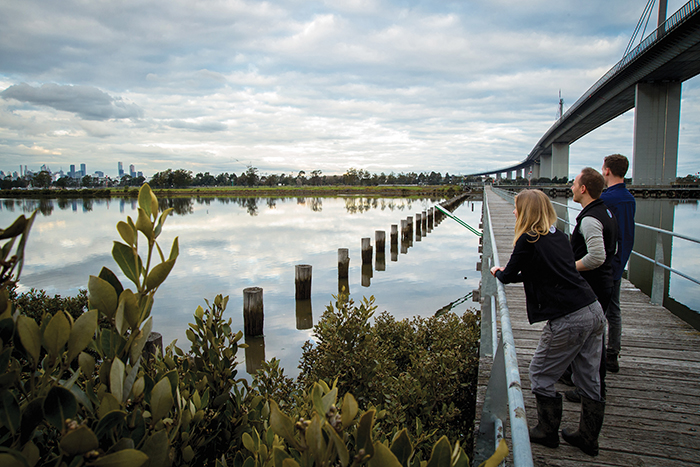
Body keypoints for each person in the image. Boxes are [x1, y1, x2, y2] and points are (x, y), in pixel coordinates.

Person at [490, 189, 606, 456]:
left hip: (569, 319)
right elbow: (540, 271)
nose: (514, 211)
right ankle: (588, 438)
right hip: (593, 309)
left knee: (540, 375)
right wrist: (510, 274)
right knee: (589, 379)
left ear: (527, 211)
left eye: (517, 208)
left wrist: (498, 272)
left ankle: (547, 431)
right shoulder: (559, 236)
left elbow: (508, 275)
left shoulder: (527, 239)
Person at [567, 167, 619, 402]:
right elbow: (613, 249)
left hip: (593, 287)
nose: (572, 188)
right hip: (604, 283)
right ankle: (590, 387)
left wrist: (569, 267)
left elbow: (597, 257)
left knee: (589, 343)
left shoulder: (589, 218)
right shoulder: (606, 211)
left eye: (575, 184)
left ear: (584, 189)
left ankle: (590, 391)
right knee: (594, 340)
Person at [600, 154, 636, 372]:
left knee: (596, 311)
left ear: (606, 170)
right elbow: (627, 235)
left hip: (604, 264)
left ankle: (597, 357)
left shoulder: (607, 199)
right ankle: (613, 353)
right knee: (614, 311)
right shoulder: (629, 199)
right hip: (619, 261)